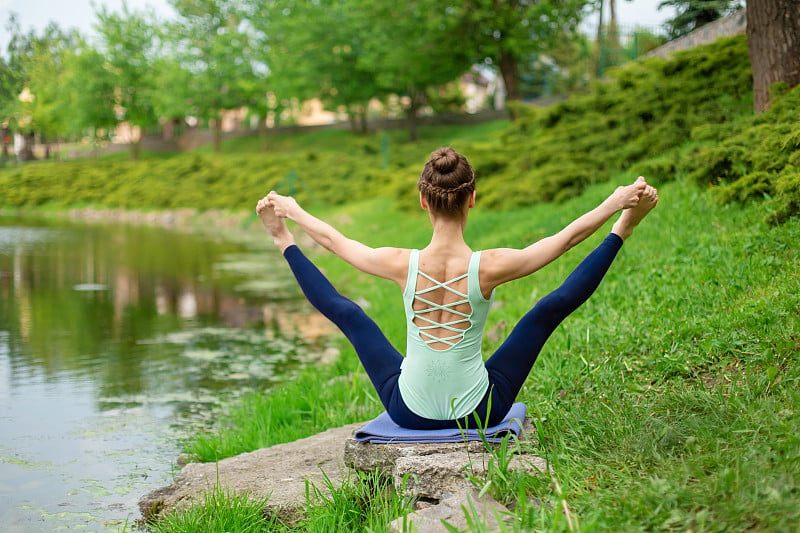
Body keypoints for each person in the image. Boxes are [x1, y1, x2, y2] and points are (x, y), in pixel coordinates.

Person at [256, 147, 658, 430]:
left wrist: (289, 218)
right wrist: (618, 205)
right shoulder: (490, 266)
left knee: (349, 314)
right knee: (548, 310)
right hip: (480, 413)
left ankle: (281, 243)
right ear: (472, 200)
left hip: (408, 411)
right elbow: (566, 240)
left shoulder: (400, 262)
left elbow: (334, 242)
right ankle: (623, 231)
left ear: (422, 201)